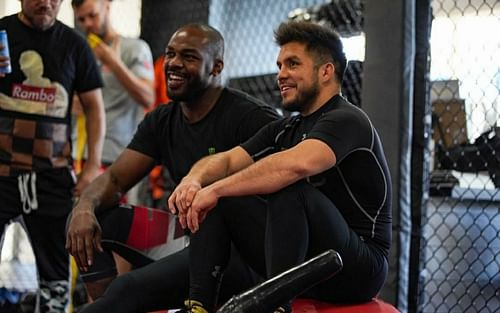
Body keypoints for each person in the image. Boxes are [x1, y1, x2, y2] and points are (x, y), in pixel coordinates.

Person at [169, 21, 392, 313]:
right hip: (307, 261)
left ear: (326, 71)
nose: (281, 75)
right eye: (280, 66)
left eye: (293, 64)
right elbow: (226, 160)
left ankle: (277, 307)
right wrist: (194, 180)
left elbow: (295, 165)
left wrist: (216, 188)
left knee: (289, 190)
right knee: (219, 197)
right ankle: (198, 306)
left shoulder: (348, 120)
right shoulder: (286, 127)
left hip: (357, 268)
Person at [65, 23, 279, 312]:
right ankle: (108, 303)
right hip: (190, 239)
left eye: (189, 57)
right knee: (92, 219)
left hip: (240, 257)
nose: (174, 64)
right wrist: (83, 208)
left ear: (216, 67)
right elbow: (114, 180)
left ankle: (118, 301)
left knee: (128, 287)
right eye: (170, 54)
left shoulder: (251, 118)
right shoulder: (163, 120)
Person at [0, 0, 106, 312]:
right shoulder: (2, 34)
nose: (45, 2)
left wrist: (90, 167)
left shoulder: (74, 44)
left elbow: (95, 109)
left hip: (50, 175)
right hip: (1, 173)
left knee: (55, 274)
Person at [71, 0, 155, 296]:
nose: (89, 24)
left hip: (123, 159)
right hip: (82, 157)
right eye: (82, 19)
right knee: (83, 235)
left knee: (118, 235)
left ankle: (120, 302)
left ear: (107, 6)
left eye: (93, 15)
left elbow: (148, 96)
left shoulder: (134, 49)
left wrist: (113, 61)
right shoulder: (80, 51)